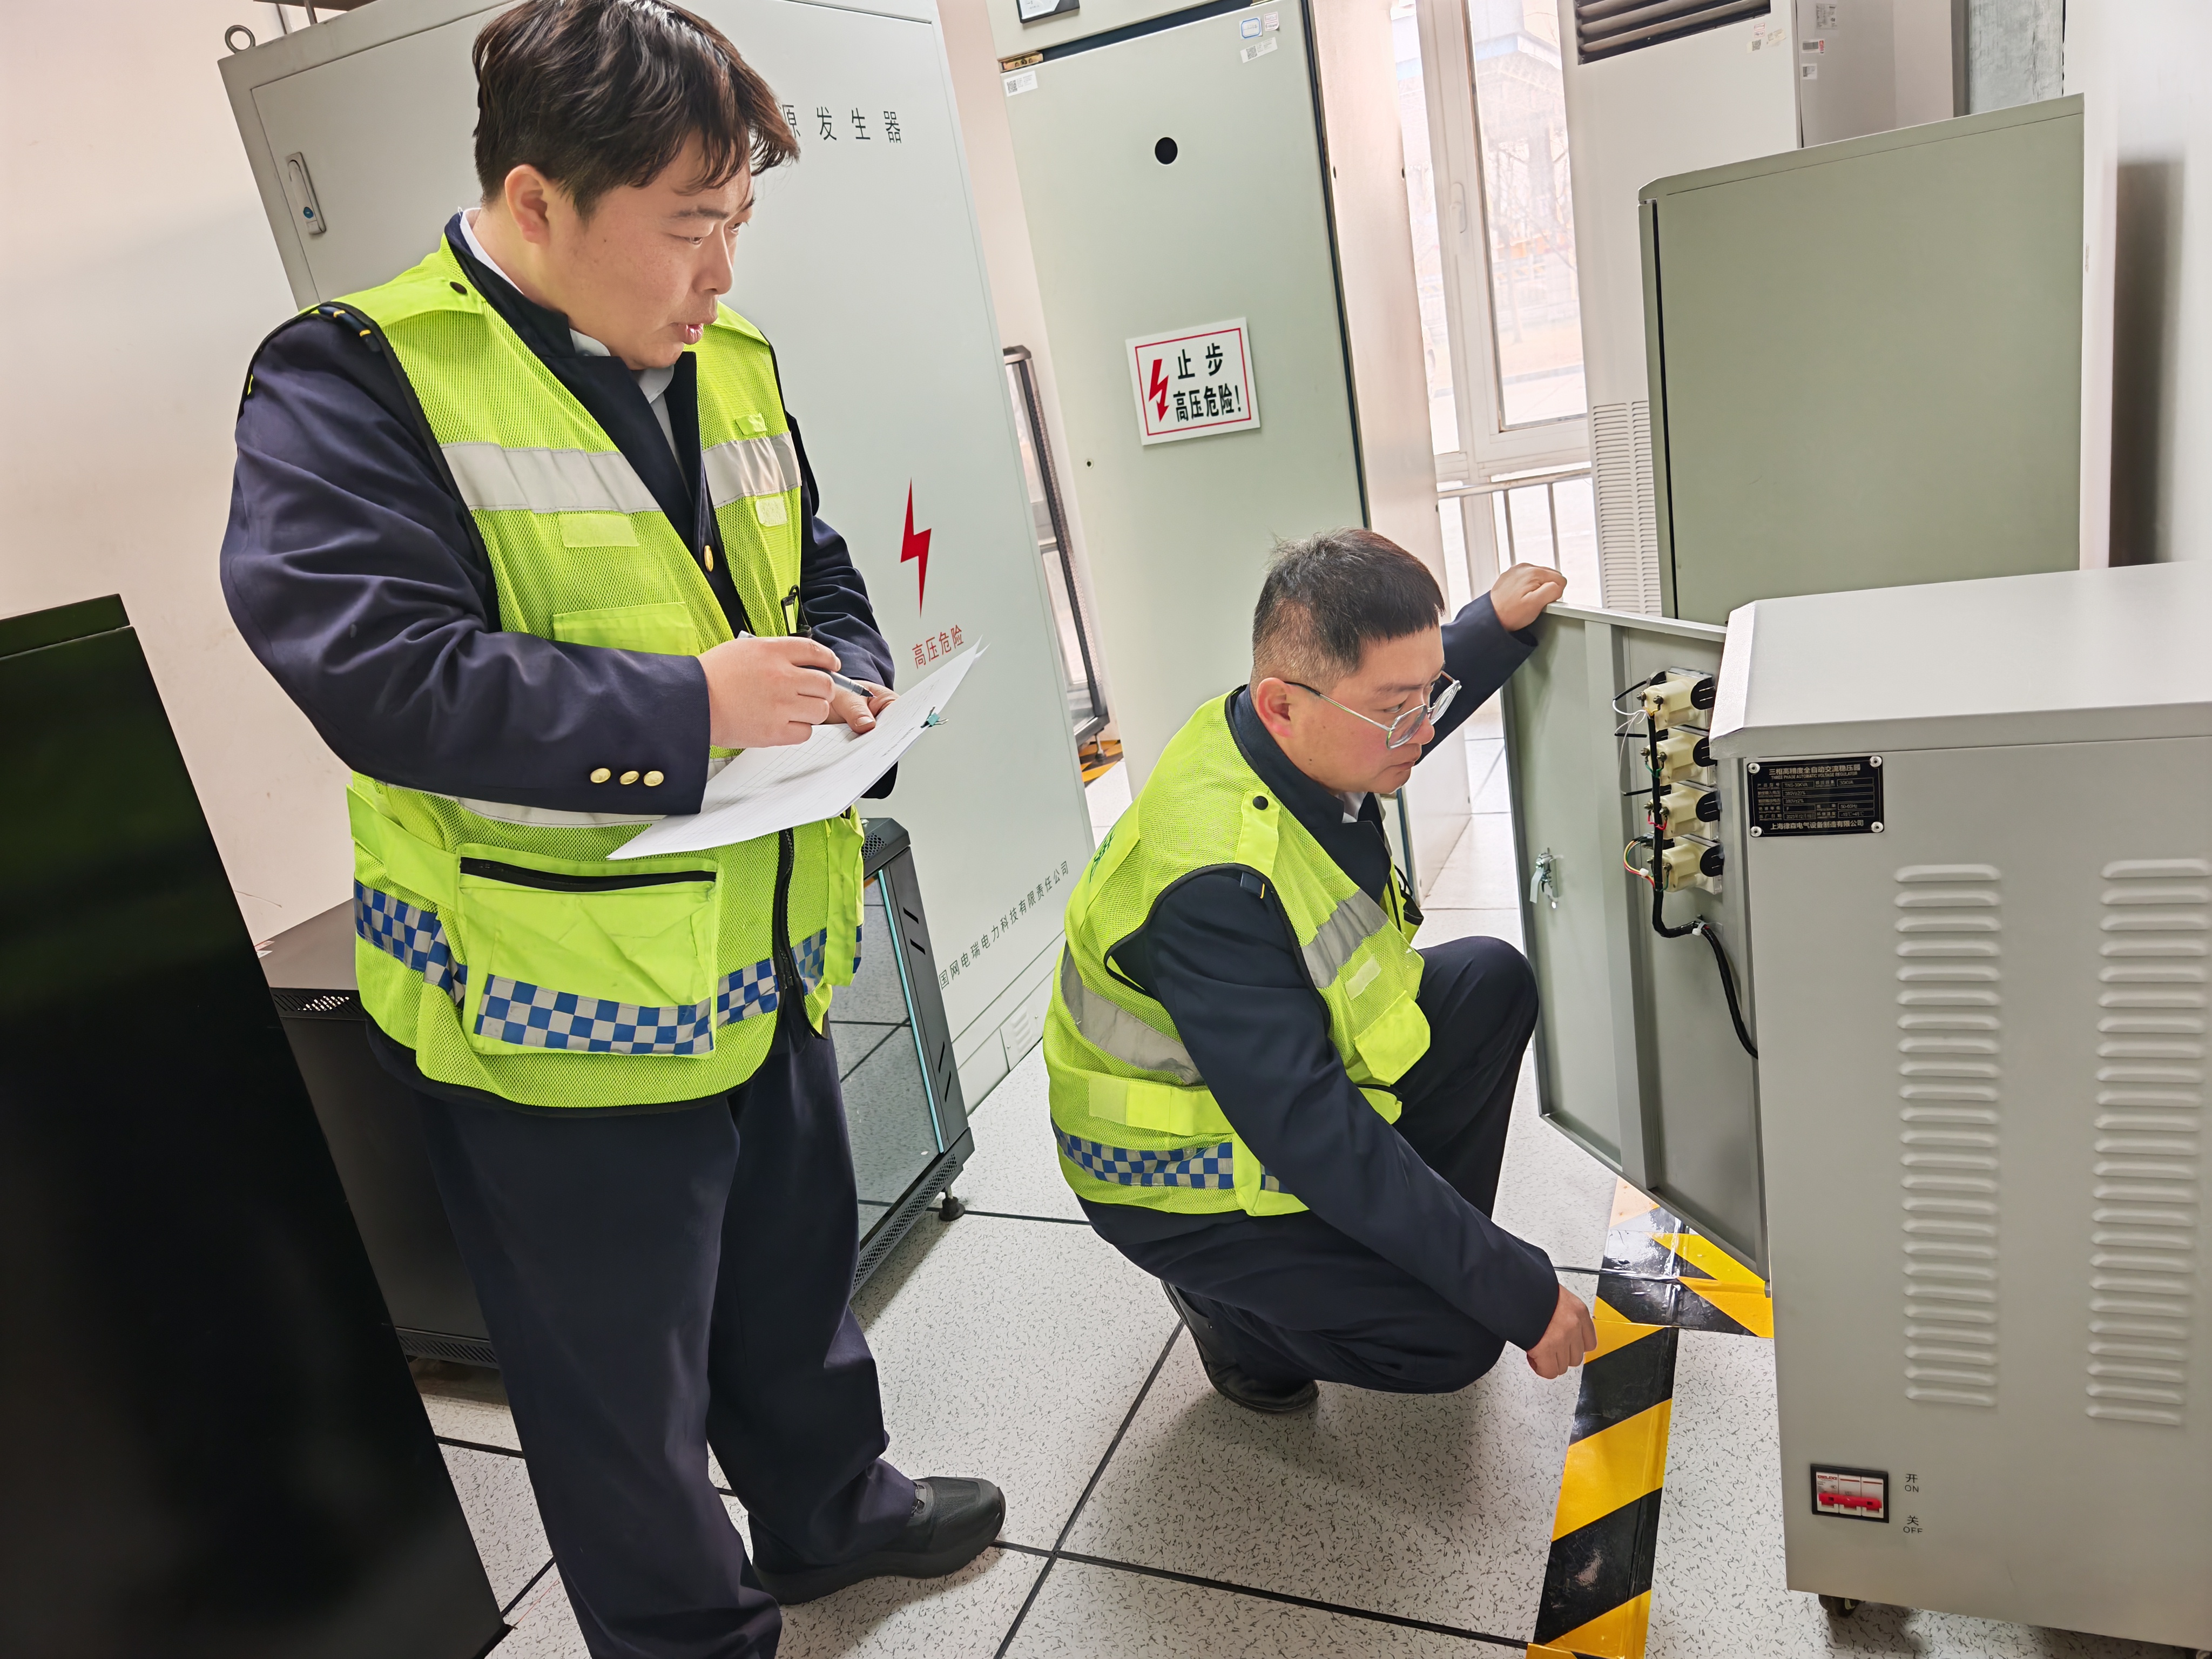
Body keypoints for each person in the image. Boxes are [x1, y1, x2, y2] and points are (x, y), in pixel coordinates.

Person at [219, 2, 1001, 1653]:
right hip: (555, 1010)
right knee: (616, 1384)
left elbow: (814, 568)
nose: (722, 270)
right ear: (535, 202)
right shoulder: (357, 377)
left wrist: (848, 675)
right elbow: (382, 674)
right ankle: (686, 1637)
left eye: (740, 220)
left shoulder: (731, 358)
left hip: (761, 943)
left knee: (793, 1281)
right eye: (690, 224)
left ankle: (830, 1513)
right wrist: (693, 708)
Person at [1044, 529, 1597, 1410]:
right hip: (1178, 1175)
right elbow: (1314, 1135)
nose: (1423, 726)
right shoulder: (1215, 884)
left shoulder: (1291, 729)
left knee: (1491, 982)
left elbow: (1386, 701)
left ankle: (1396, 1246)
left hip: (1266, 1095)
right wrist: (1515, 1290)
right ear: (1281, 706)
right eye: (1400, 708)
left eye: (1430, 692)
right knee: (1457, 1335)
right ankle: (1228, 1322)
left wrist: (1490, 626)